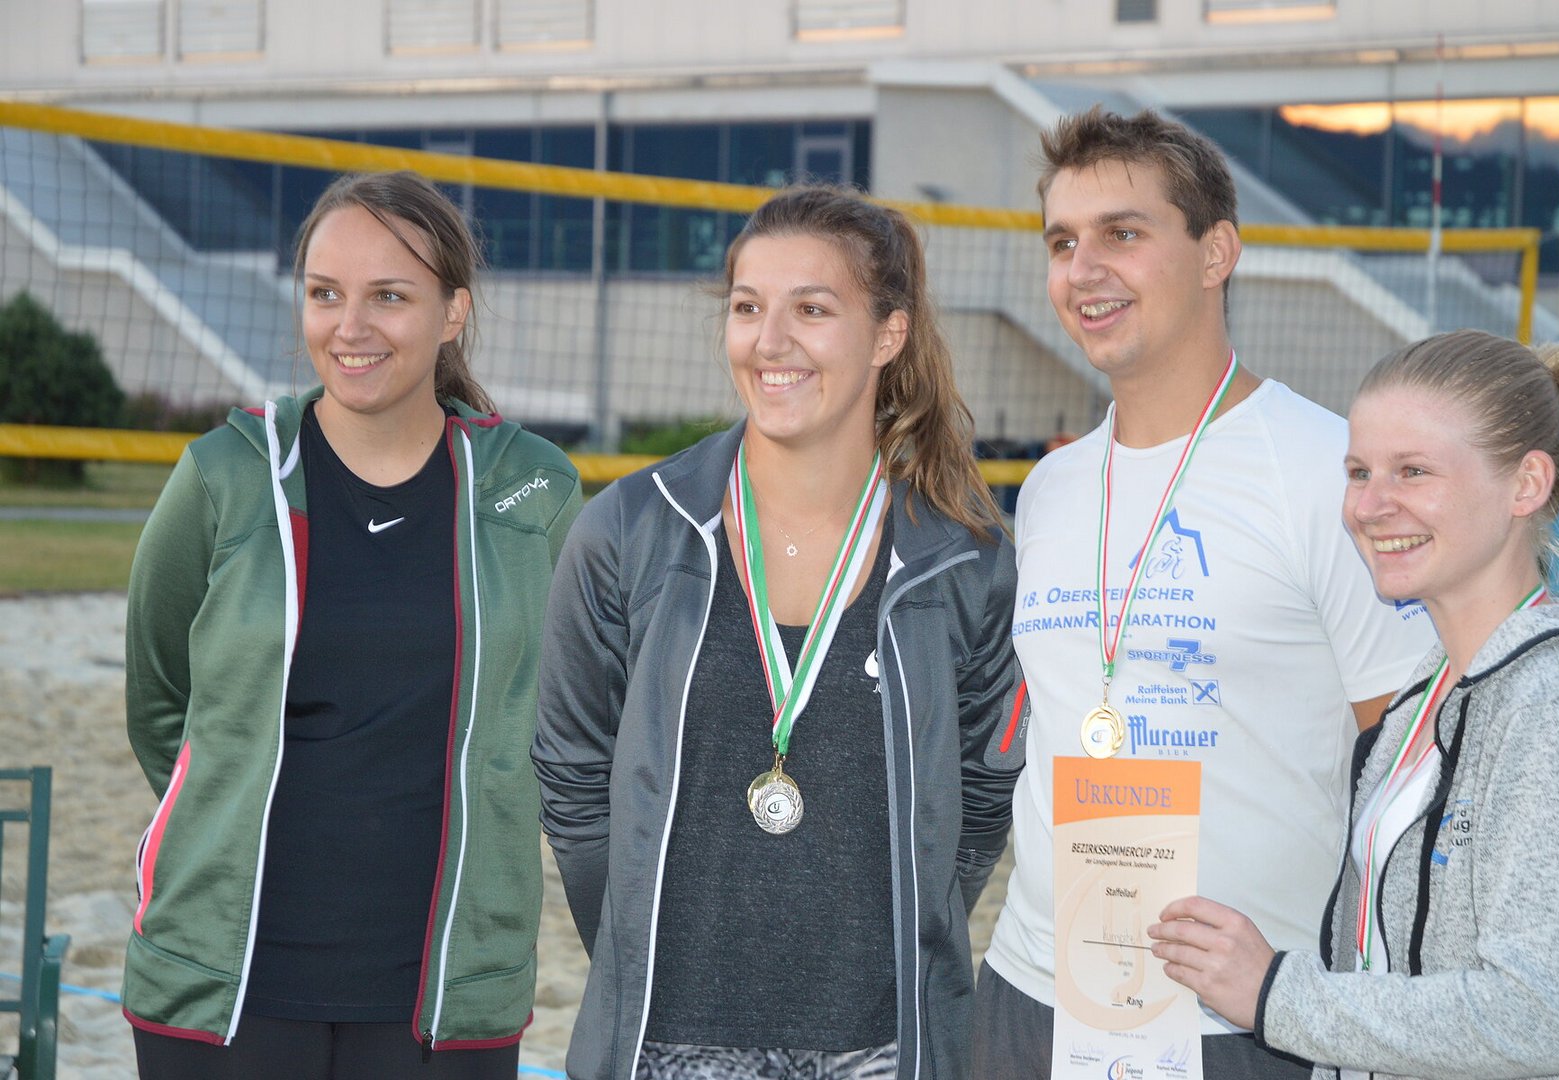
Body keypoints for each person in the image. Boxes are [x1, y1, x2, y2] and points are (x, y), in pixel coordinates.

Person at [974, 106, 1437, 1079]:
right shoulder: (1052, 487)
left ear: (1215, 252)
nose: (1082, 269)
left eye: (1121, 234)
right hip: (1033, 995)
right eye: (1061, 242)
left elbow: (1409, 772)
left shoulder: (1327, 473)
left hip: (1241, 1023)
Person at [533, 185, 1024, 1080]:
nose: (769, 341)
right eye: (747, 307)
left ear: (887, 334)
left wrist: (899, 939)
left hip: (883, 1044)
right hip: (666, 1040)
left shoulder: (963, 558)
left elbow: (983, 799)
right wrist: (640, 948)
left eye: (812, 309)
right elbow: (572, 782)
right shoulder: (630, 531)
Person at [122, 170, 582, 1078]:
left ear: (453, 312)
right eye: (325, 293)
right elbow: (161, 700)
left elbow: (574, 716)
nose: (350, 327)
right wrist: (222, 806)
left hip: (446, 994)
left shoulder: (532, 490)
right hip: (223, 984)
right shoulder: (225, 476)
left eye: (389, 297)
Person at [1147, 329, 1559, 1079]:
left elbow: (1539, 1016)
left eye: (1413, 471)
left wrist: (1273, 992)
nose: (1369, 506)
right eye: (1358, 472)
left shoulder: (1557, 703)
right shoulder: (1418, 702)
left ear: (1526, 484)